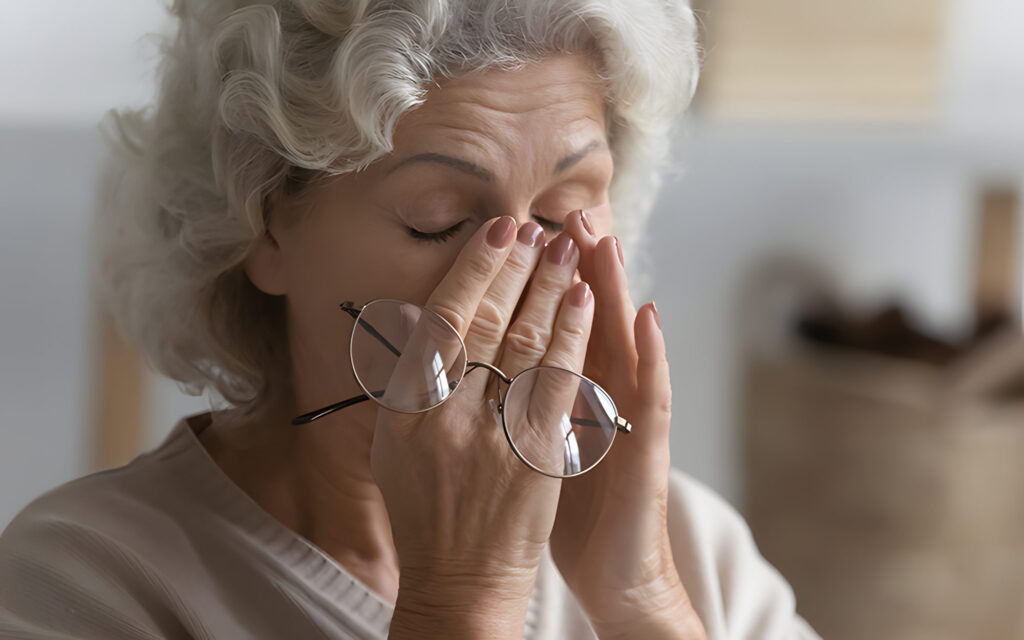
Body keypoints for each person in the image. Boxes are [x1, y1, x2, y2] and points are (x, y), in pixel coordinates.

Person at [0, 1, 820, 638]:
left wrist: (642, 606)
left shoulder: (685, 546)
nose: (522, 270)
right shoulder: (87, 582)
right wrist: (463, 599)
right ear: (264, 223)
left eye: (570, 205)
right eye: (438, 219)